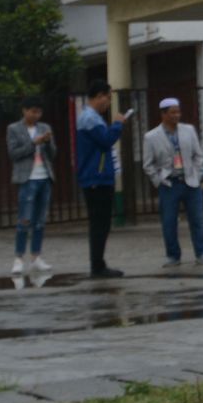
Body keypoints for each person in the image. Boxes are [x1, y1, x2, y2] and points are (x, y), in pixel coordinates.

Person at [73, 83, 131, 279]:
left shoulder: (90, 117)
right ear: (99, 96)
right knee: (99, 223)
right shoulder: (90, 118)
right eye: (108, 98)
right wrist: (117, 124)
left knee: (101, 223)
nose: (108, 103)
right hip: (95, 177)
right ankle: (97, 266)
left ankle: (98, 264)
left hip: (97, 176)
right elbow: (106, 140)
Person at [142, 97, 203, 267]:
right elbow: (148, 164)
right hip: (169, 183)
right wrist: (158, 180)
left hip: (190, 182)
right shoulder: (151, 137)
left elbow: (199, 155)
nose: (176, 116)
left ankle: (201, 253)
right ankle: (173, 256)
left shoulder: (188, 130)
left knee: (197, 220)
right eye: (172, 113)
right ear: (163, 114)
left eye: (178, 112)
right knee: (169, 221)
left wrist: (197, 174)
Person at [5, 99, 56, 280]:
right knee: (24, 219)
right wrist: (34, 143)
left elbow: (53, 153)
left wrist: (47, 142)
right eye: (32, 111)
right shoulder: (14, 129)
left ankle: (36, 256)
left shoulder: (45, 127)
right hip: (27, 178)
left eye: (38, 112)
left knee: (40, 220)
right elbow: (13, 154)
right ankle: (19, 258)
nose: (35, 115)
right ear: (24, 111)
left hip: (45, 176)